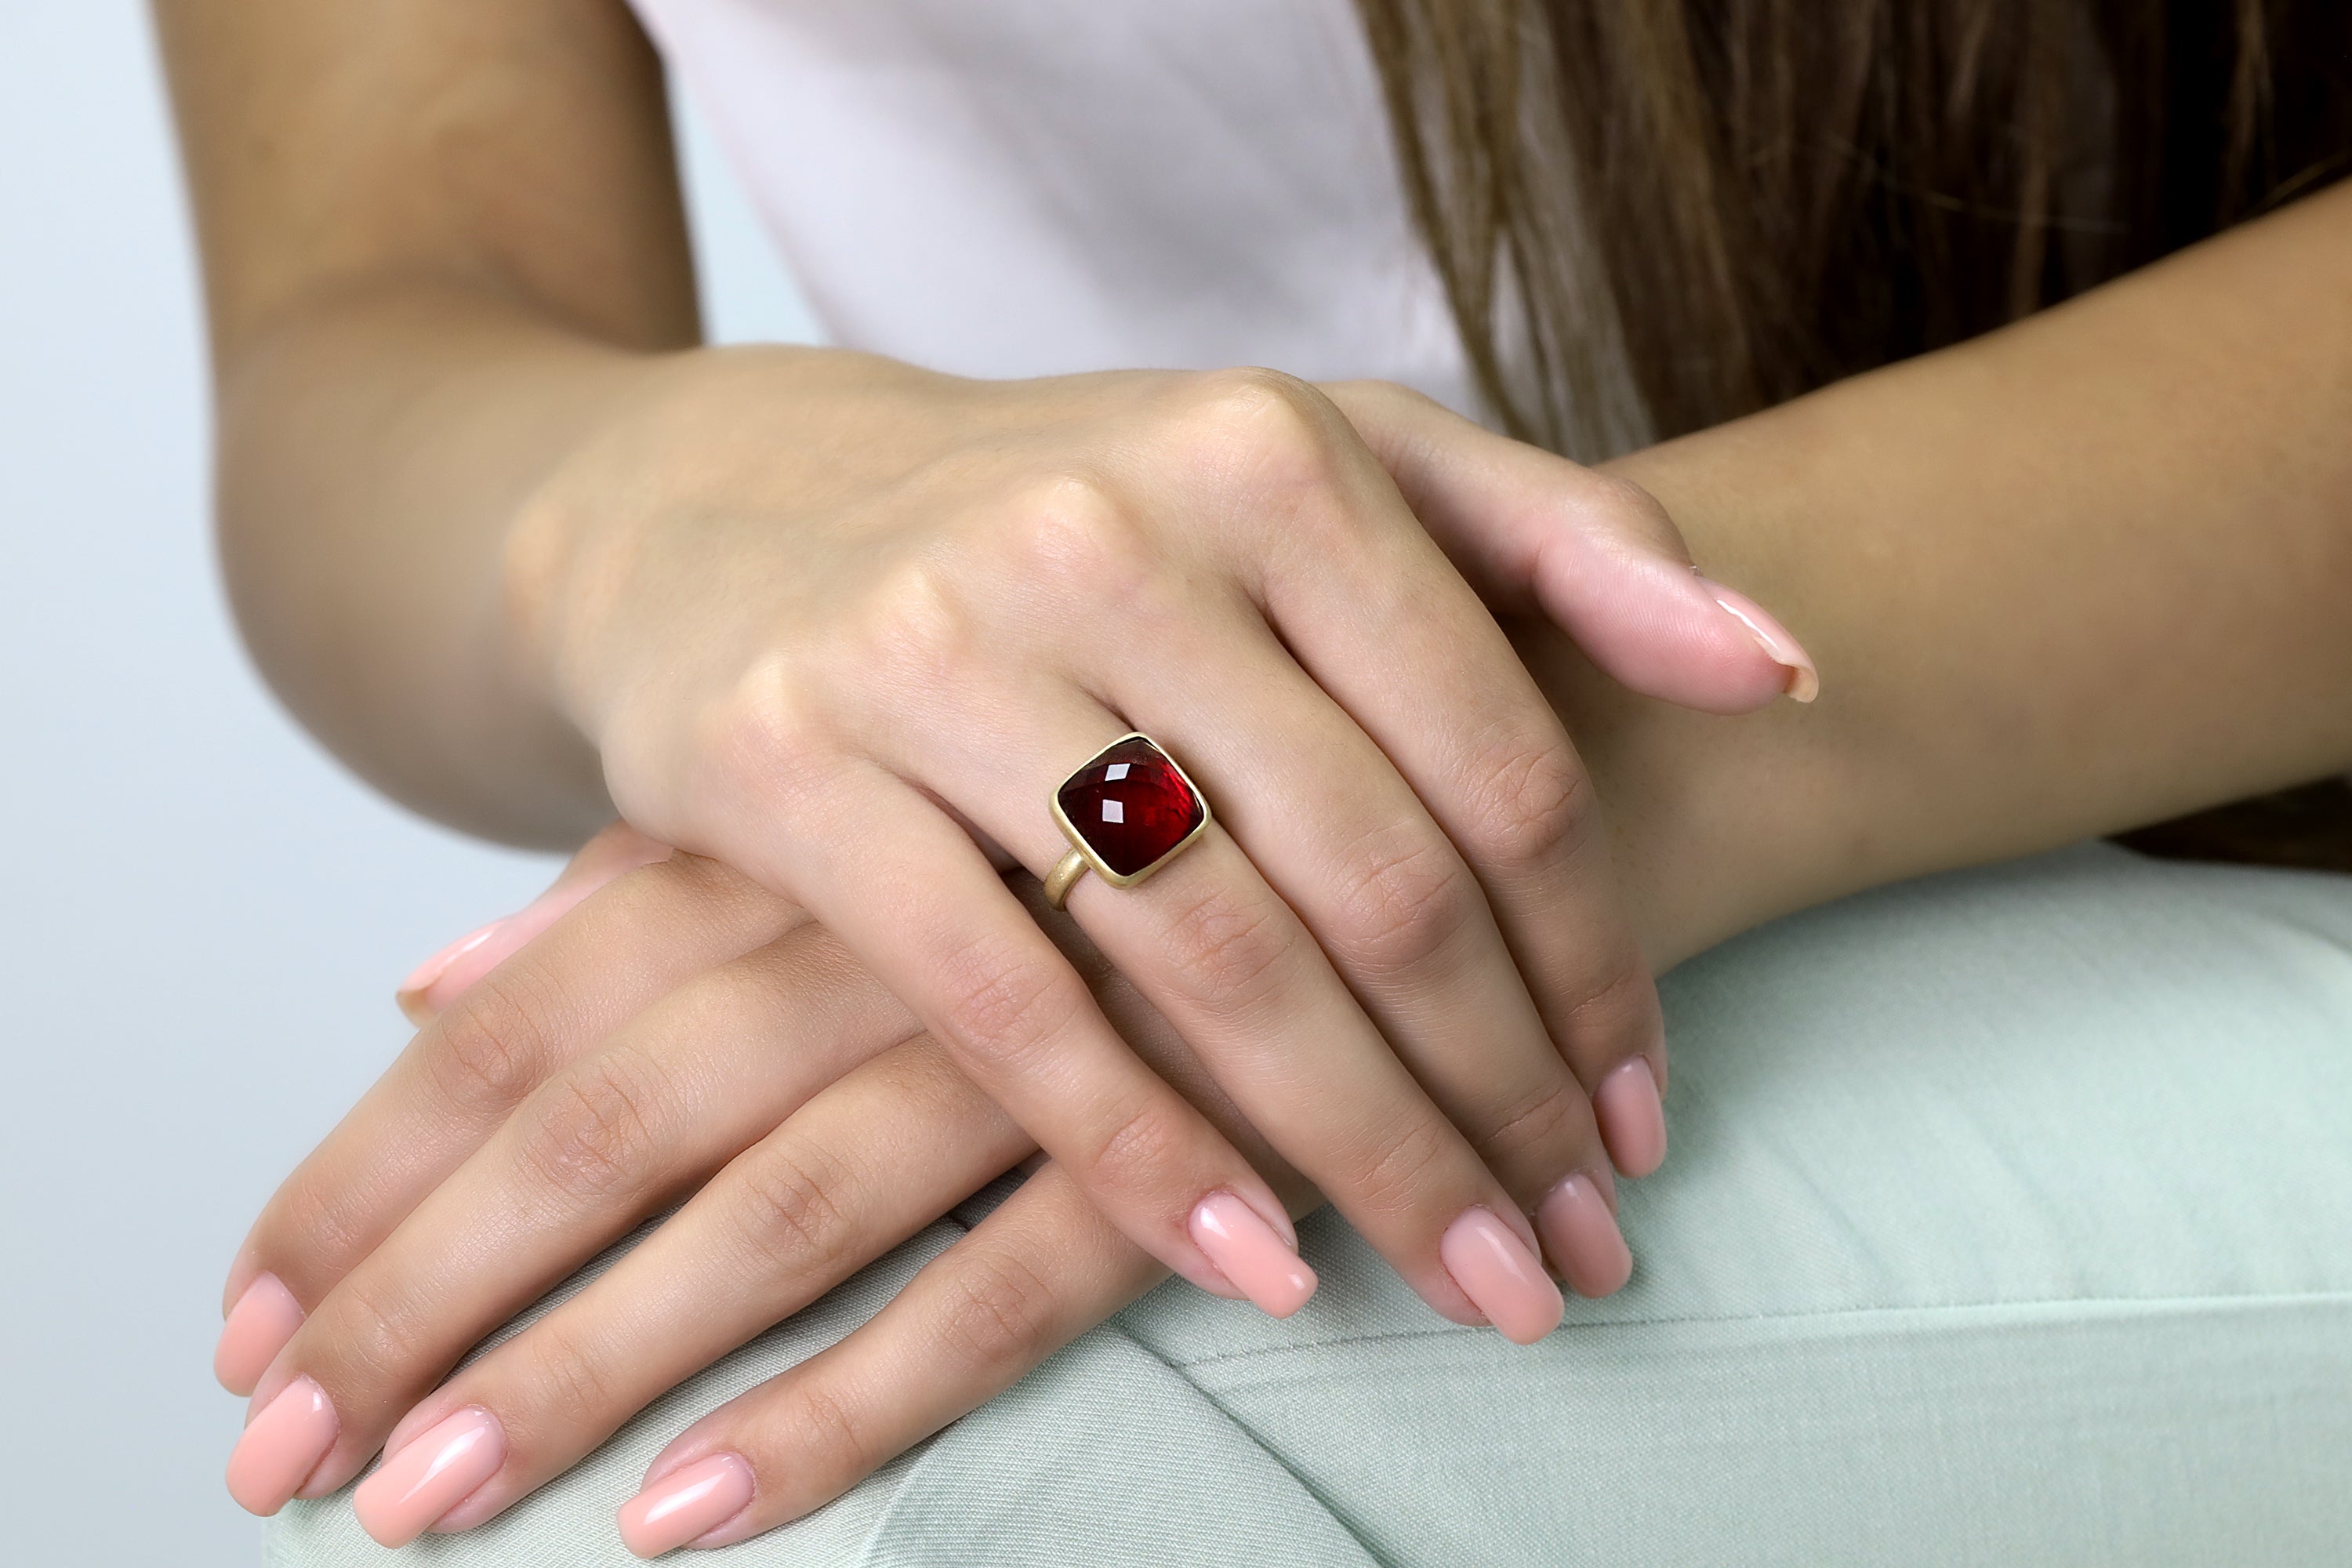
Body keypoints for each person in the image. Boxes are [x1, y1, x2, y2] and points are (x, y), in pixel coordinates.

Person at [158, 2, 2352, 1561]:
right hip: (1142, 808)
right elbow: (372, 315)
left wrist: (1469, 736)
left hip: (2209, 803)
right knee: (607, 1423)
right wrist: (653, 515)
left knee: (839, 1490)